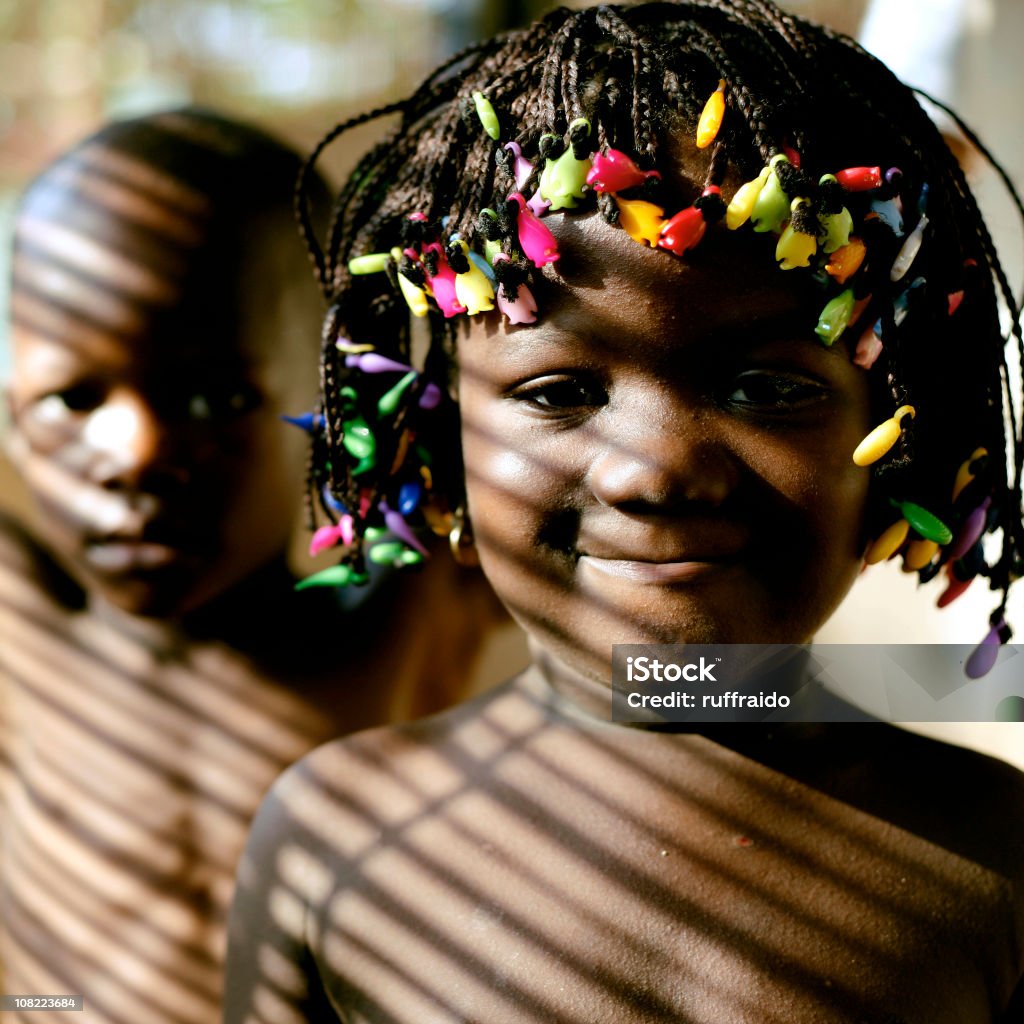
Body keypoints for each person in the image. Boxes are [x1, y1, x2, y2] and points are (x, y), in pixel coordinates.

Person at [224, 4, 1024, 1021]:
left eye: (768, 390)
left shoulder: (995, 860)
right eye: (558, 392)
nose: (654, 472)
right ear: (436, 440)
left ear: (901, 433)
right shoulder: (336, 840)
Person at [0, 108, 504, 1024]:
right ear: (10, 415)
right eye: (73, 397)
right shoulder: (19, 631)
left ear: (332, 401)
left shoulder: (411, 609)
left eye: (215, 394)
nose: (137, 450)